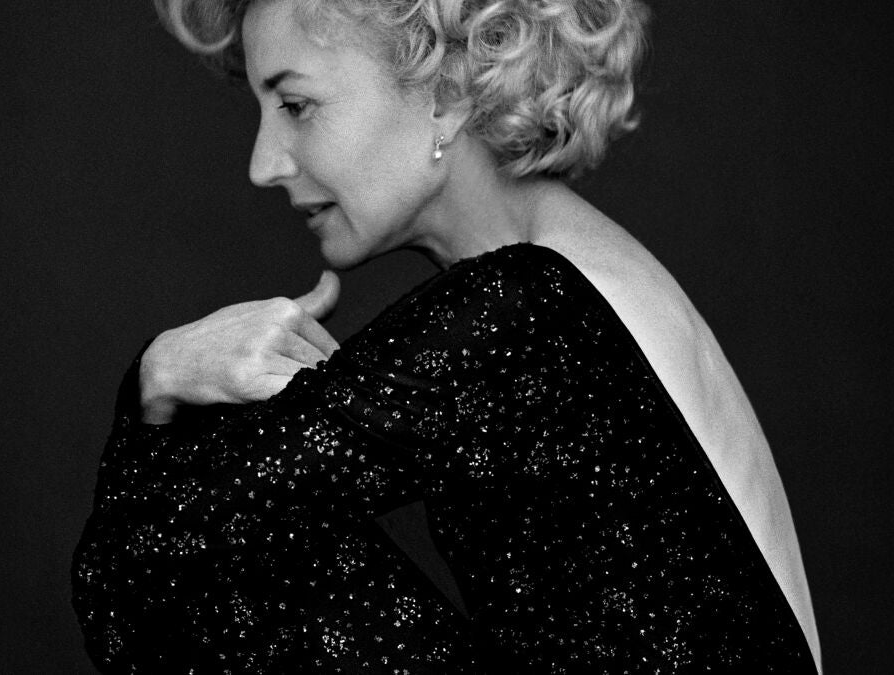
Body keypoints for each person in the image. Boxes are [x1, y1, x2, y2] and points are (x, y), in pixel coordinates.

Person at [72, 0, 822, 671]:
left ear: (448, 95)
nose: (263, 164)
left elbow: (133, 569)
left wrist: (158, 374)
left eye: (296, 105)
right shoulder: (586, 280)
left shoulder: (526, 310)